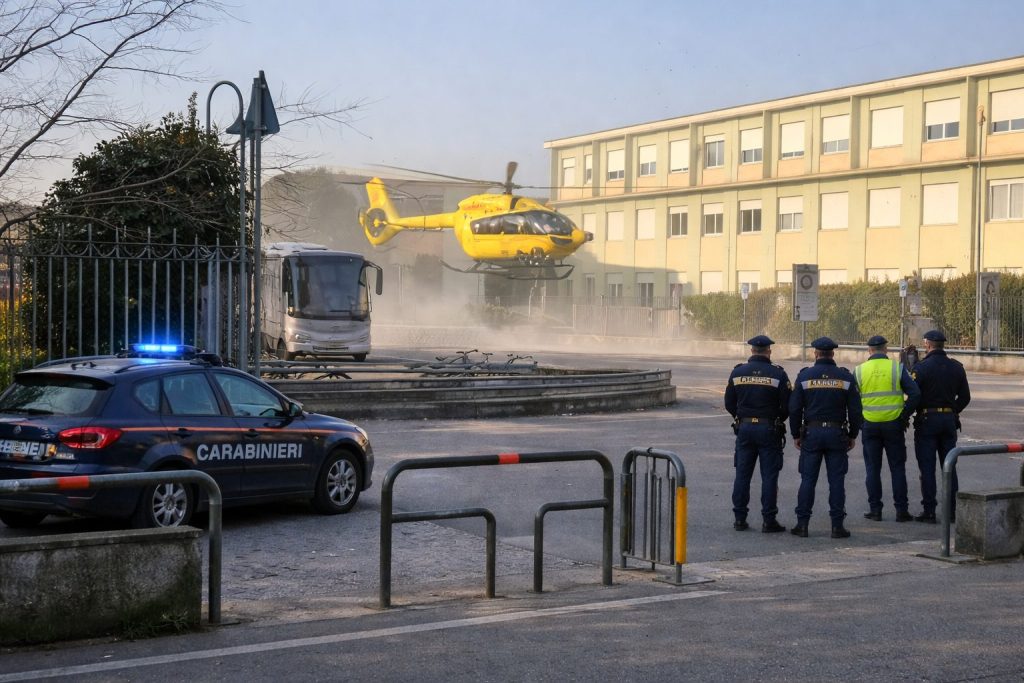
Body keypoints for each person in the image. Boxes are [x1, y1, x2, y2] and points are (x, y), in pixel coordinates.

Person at [788, 337, 862, 538]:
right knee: (836, 481)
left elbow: (794, 409)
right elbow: (855, 410)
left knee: (808, 480)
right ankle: (837, 526)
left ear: (815, 354)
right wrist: (853, 434)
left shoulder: (805, 377)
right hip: (837, 434)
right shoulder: (845, 377)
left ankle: (802, 524)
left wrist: (795, 434)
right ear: (833, 354)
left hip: (811, 434)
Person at [724, 335, 792, 533]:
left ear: (752, 351)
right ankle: (768, 520)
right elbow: (787, 405)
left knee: (742, 475)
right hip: (769, 429)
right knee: (769, 476)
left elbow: (729, 403)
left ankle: (739, 518)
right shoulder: (778, 374)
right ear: (769, 351)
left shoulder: (738, 372)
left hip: (744, 429)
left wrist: (741, 416)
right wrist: (776, 419)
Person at [854, 335, 921, 522]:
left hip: (870, 425)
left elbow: (852, 401)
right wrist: (904, 416)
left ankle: (875, 510)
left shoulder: (859, 371)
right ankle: (901, 511)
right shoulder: (896, 368)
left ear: (869, 351)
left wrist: (860, 421)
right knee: (897, 468)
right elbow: (915, 394)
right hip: (893, 424)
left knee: (872, 469)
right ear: (885, 349)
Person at [911, 329, 971, 523]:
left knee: (927, 468)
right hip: (948, 421)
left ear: (927, 344)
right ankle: (952, 512)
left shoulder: (921, 368)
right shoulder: (956, 367)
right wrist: (953, 410)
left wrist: (910, 414)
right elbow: (965, 397)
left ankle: (929, 511)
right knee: (949, 467)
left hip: (927, 421)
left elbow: (914, 395)